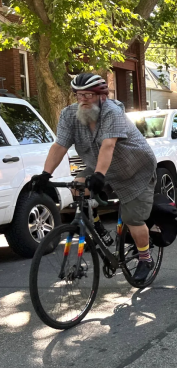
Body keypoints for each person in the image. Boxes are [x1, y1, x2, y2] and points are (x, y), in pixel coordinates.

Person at [32, 73, 158, 282]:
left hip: (135, 170)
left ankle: (145, 259)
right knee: (77, 187)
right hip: (100, 166)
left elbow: (108, 145)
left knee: (132, 219)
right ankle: (97, 226)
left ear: (101, 96)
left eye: (88, 95)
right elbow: (60, 145)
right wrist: (45, 174)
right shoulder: (69, 115)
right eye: (79, 95)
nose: (83, 99)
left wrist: (99, 176)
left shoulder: (112, 112)